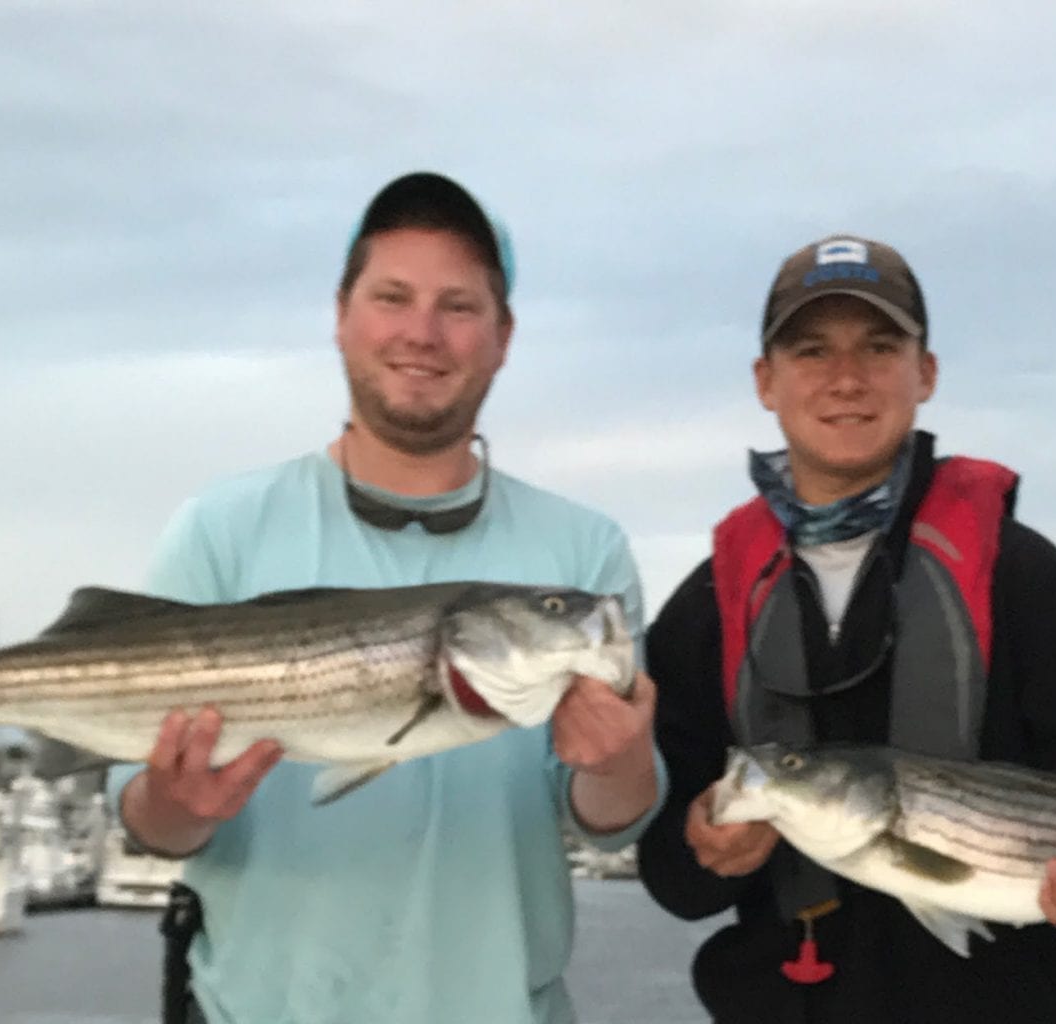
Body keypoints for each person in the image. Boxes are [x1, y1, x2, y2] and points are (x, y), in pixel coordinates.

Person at [113, 171, 665, 1024]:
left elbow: (609, 823)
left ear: (503, 334)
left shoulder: (584, 554)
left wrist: (621, 762)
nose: (422, 333)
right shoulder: (219, 529)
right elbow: (151, 823)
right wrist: (174, 806)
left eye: (459, 305)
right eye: (393, 297)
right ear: (342, 314)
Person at [635, 233, 1056, 1022]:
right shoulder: (709, 604)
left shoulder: (1020, 573)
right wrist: (701, 847)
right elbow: (671, 877)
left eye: (880, 347)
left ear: (925, 372)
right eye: (812, 350)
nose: (847, 379)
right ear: (766, 381)